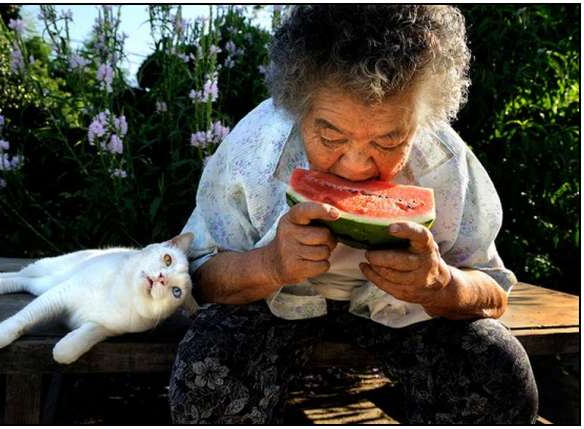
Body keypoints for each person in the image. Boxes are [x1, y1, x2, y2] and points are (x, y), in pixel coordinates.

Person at [169, 5, 538, 424]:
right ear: (296, 106)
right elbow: (198, 278)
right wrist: (268, 264)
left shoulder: (445, 163)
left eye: (389, 139)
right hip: (269, 306)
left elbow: (493, 293)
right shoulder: (255, 149)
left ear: (422, 121)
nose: (356, 166)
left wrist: (442, 285)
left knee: (500, 378)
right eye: (331, 135)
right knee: (205, 383)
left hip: (406, 314)